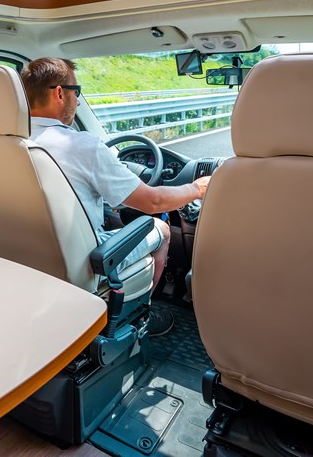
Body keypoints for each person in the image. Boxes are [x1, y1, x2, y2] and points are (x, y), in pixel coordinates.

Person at [21, 57, 209, 337]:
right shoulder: (80, 145)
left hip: (21, 255)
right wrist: (197, 189)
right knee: (162, 229)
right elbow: (153, 202)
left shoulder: (8, 141)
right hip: (79, 262)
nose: (79, 102)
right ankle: (139, 316)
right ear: (60, 93)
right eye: (77, 92)